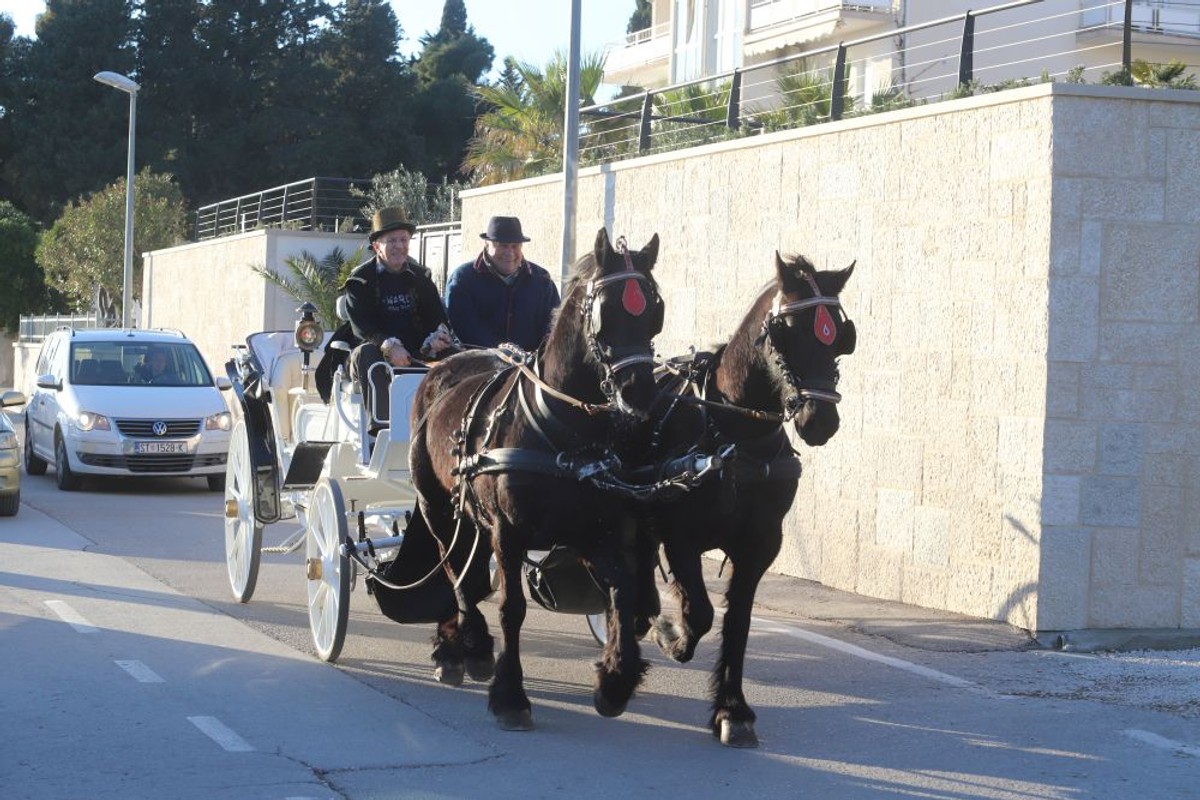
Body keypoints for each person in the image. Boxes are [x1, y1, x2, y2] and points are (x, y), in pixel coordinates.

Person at [343, 207, 457, 430]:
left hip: (417, 353)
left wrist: (438, 337)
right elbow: (361, 328)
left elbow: (437, 317)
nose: (399, 246)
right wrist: (388, 346)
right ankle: (381, 429)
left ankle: (448, 428)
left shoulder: (421, 278)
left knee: (456, 358)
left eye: (403, 240)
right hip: (372, 353)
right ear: (377, 246)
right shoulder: (359, 281)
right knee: (368, 354)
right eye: (391, 240)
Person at [444, 216, 560, 352]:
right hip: (479, 366)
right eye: (502, 245)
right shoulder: (463, 279)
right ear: (487, 244)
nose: (509, 252)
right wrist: (501, 352)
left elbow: (555, 324)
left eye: (515, 246)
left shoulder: (542, 280)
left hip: (532, 367)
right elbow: (464, 326)